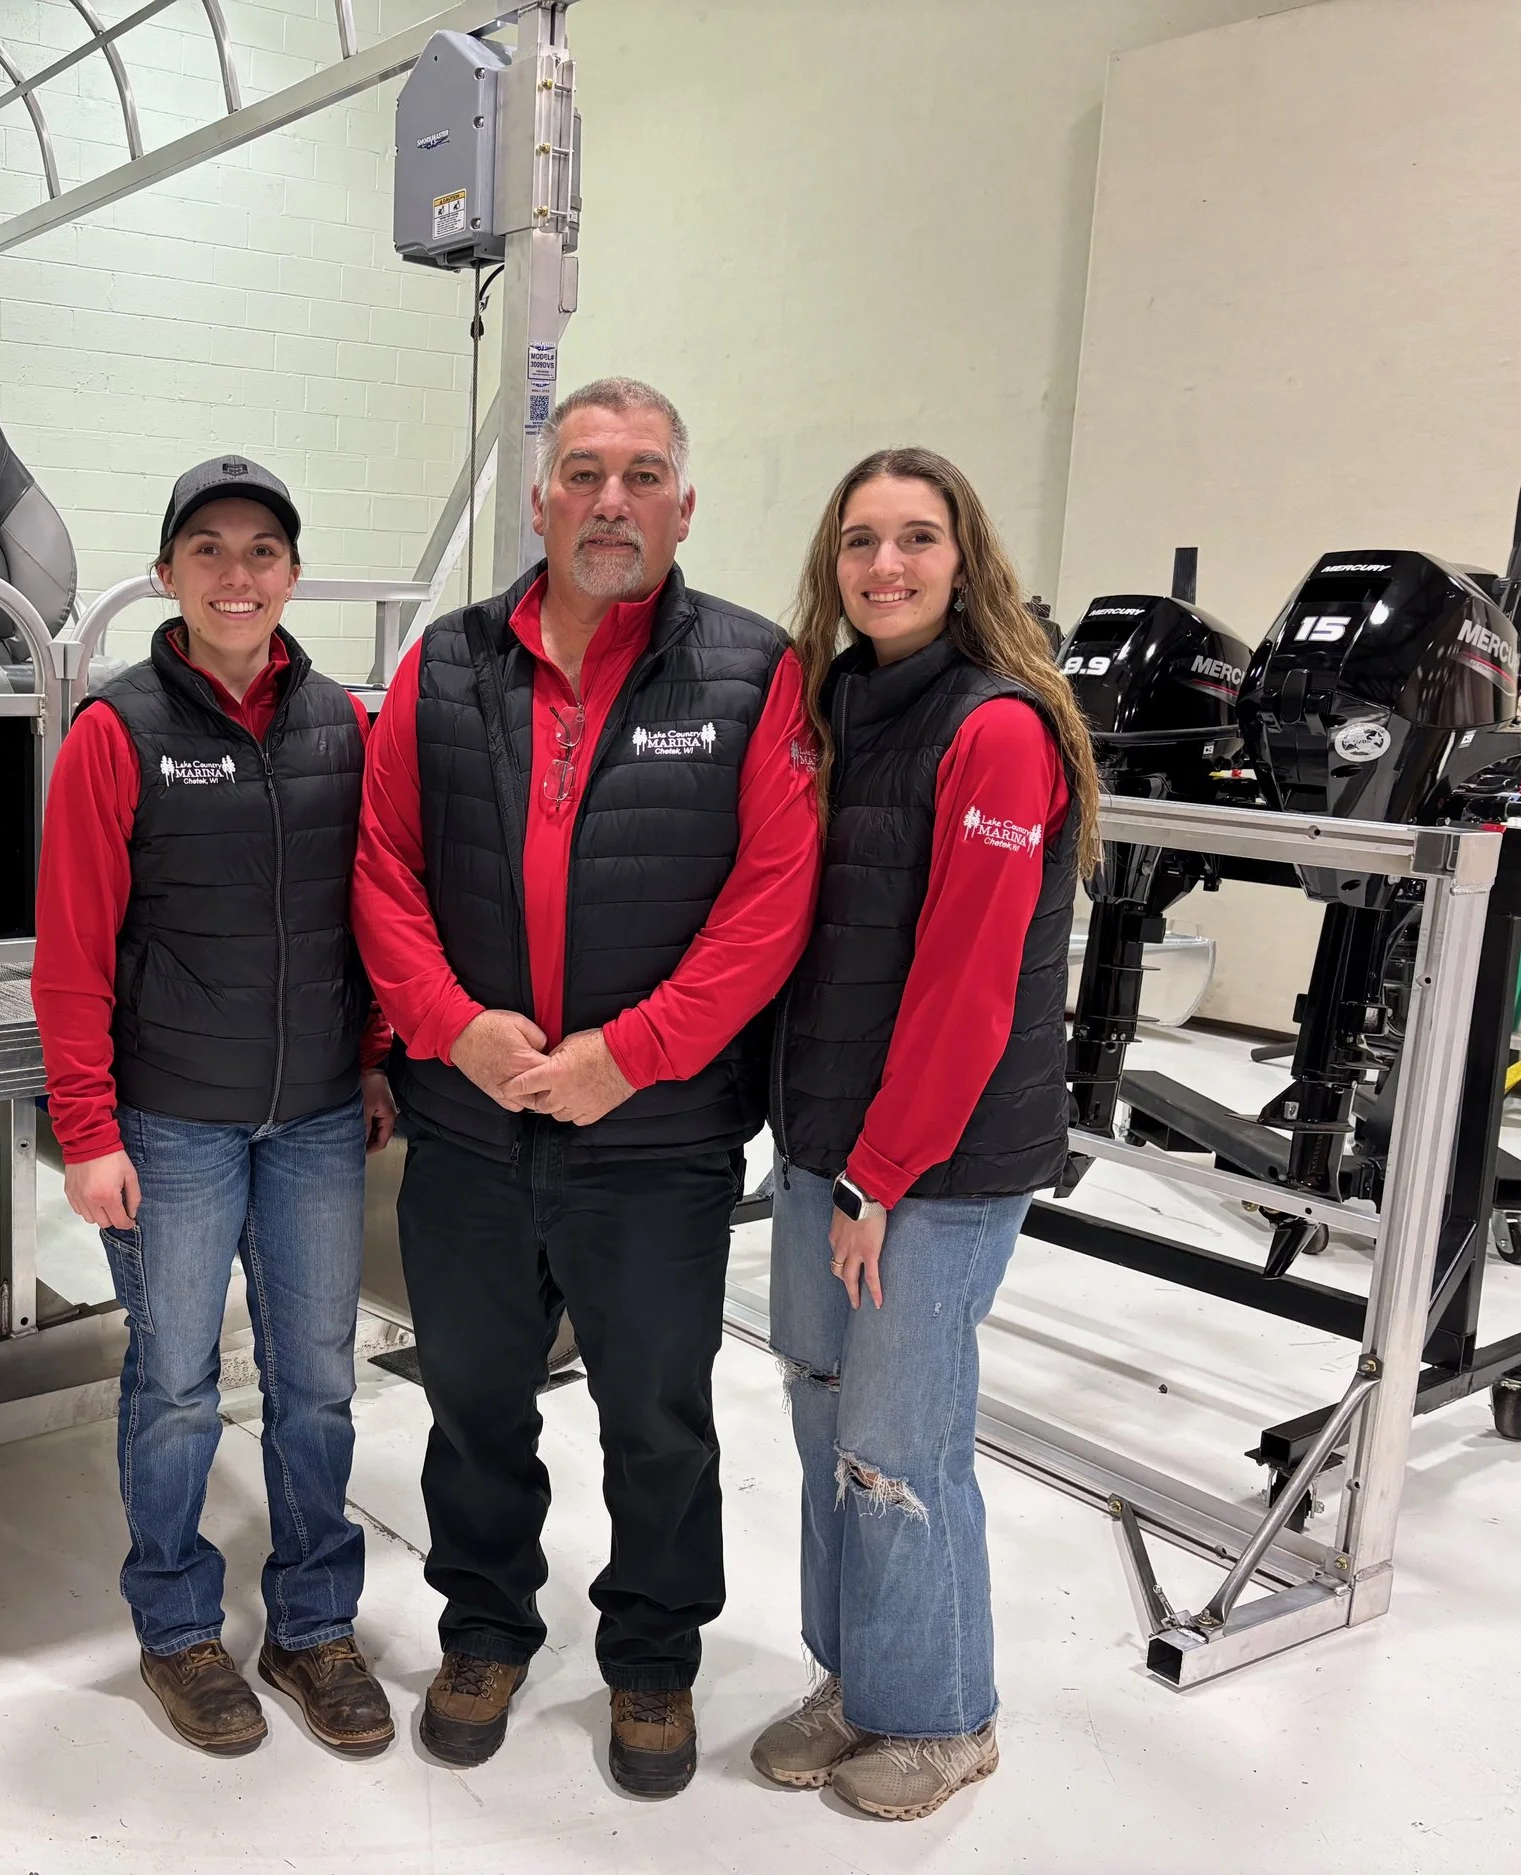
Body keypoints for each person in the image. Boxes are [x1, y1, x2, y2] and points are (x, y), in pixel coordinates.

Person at [351, 377, 822, 1796]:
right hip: (469, 1130)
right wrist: (451, 1026)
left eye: (643, 475)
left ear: (686, 505)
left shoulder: (755, 669)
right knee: (474, 1402)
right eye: (583, 473)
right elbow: (381, 866)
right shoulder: (443, 668)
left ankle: (654, 1660)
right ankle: (486, 1625)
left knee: (658, 1418)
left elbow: (772, 895)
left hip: (657, 1137)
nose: (610, 499)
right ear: (541, 498)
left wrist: (636, 1052)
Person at [748, 446, 1098, 1819]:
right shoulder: (840, 703)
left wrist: (883, 1176)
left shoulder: (996, 727)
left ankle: (944, 1713)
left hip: (935, 1168)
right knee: (823, 1415)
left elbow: (964, 985)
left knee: (901, 1445)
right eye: (859, 541)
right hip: (832, 1142)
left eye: (916, 538)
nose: (884, 565)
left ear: (967, 559)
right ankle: (859, 1680)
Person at [32, 456, 400, 1760]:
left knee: (316, 1386)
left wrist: (374, 1059)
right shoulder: (114, 732)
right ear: (167, 573)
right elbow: (72, 951)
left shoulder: (343, 728)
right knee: (178, 1387)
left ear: (292, 576)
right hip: (174, 1126)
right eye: (209, 549)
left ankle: (311, 1625)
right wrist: (86, 1128)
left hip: (310, 1121)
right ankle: (179, 1627)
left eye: (261, 552)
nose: (236, 575)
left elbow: (368, 921)